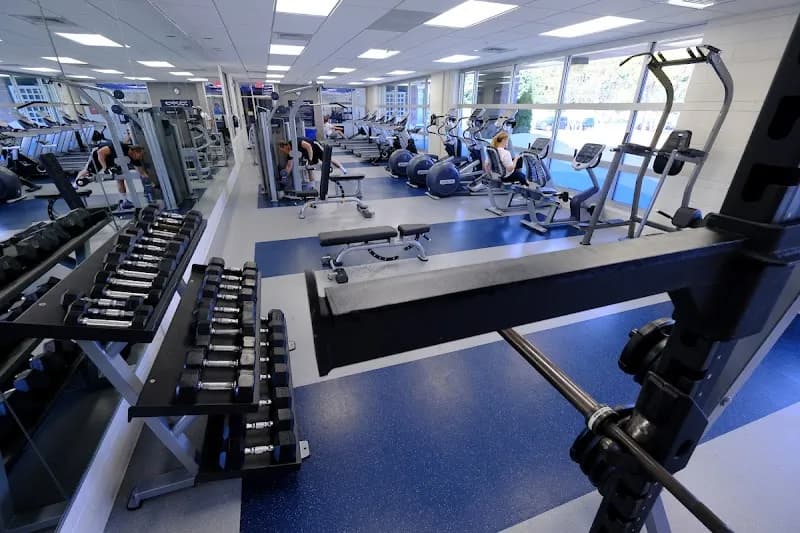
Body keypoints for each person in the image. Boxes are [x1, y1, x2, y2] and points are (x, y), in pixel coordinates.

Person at [77, 134, 150, 210]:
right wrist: (105, 168)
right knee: (88, 171)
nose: (141, 158)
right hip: (98, 155)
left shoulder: (134, 158)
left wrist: (151, 183)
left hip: (111, 160)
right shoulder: (121, 147)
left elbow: (142, 172)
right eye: (140, 155)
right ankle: (75, 185)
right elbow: (100, 153)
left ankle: (124, 201)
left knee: (120, 178)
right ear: (135, 151)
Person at [277, 137, 347, 184]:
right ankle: (312, 185)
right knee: (309, 169)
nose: (284, 152)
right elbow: (289, 165)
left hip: (315, 146)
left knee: (328, 159)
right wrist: (285, 176)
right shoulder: (290, 153)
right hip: (308, 153)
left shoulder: (295, 142)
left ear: (285, 146)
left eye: (283, 150)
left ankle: (342, 169)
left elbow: (309, 146)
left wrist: (310, 159)